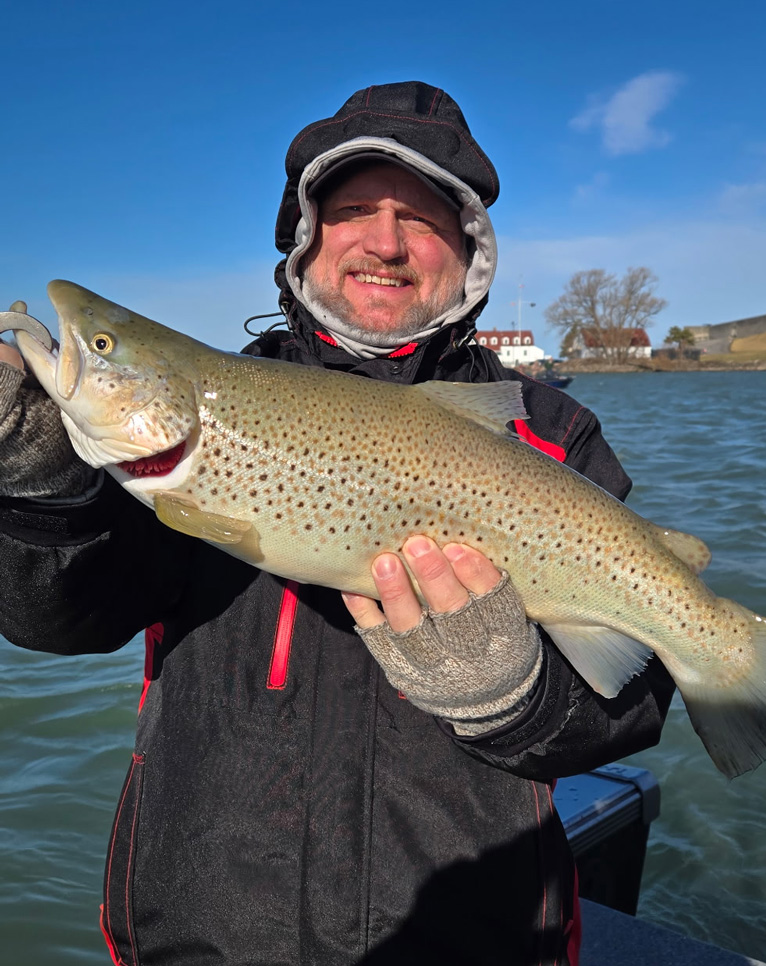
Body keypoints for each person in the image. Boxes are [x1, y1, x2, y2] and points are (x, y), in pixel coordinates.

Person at [0, 82, 675, 966]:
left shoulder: (553, 435)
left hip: (477, 942)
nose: (386, 242)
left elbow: (633, 699)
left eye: (423, 219)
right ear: (306, 238)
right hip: (198, 939)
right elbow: (60, 621)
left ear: (467, 251)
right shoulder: (199, 427)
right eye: (355, 209)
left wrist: (514, 698)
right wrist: (38, 481)